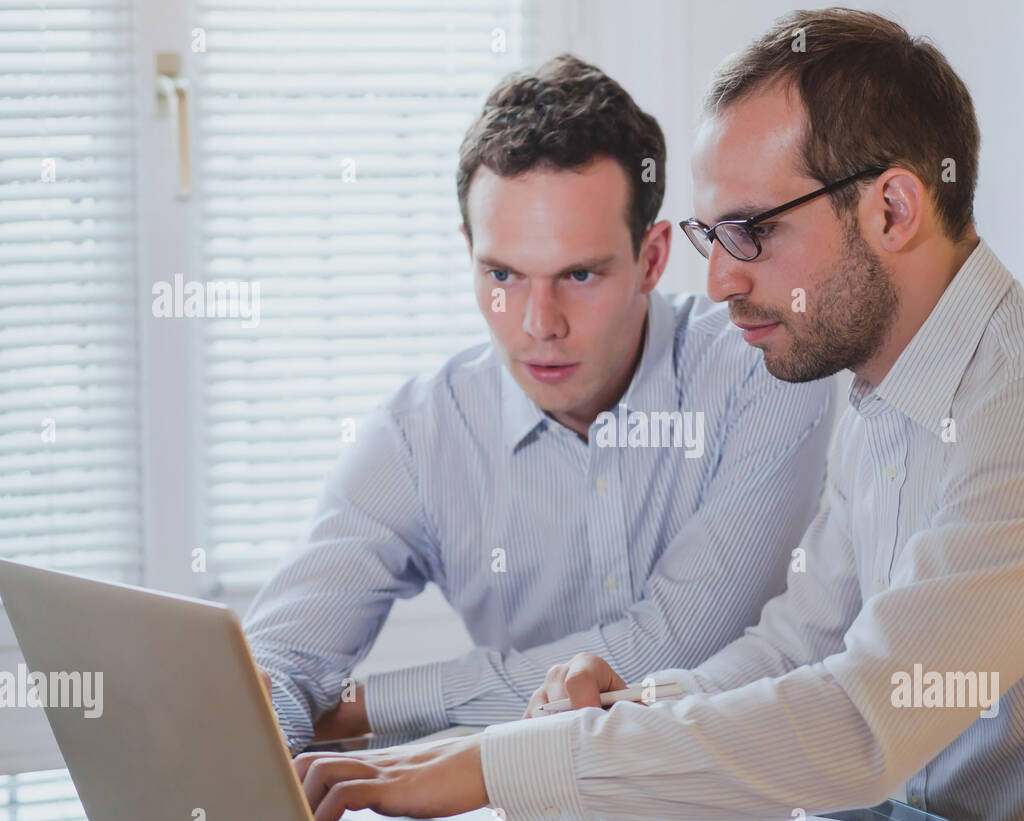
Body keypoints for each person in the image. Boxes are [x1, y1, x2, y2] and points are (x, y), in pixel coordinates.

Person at [292, 10, 1024, 821]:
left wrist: (497, 761)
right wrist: (636, 705)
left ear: (890, 207)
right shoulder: (879, 403)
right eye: (713, 236)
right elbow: (799, 645)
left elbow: (860, 722)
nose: (717, 282)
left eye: (751, 231)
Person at [247, 54, 834, 756]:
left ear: (651, 259)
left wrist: (364, 708)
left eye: (579, 274)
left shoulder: (757, 367)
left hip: (750, 814)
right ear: (469, 253)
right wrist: (271, 730)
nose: (538, 324)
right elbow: (271, 664)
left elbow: (673, 644)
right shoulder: (420, 434)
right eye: (504, 275)